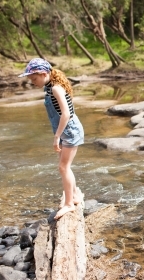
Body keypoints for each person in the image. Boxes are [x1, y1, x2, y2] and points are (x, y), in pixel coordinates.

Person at [18, 58, 84, 219]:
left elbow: (66, 114)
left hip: (69, 130)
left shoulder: (55, 88)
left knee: (63, 167)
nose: (32, 82)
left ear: (44, 74)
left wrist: (56, 137)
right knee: (64, 166)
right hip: (63, 130)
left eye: (34, 79)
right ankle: (74, 196)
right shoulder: (49, 88)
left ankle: (69, 205)